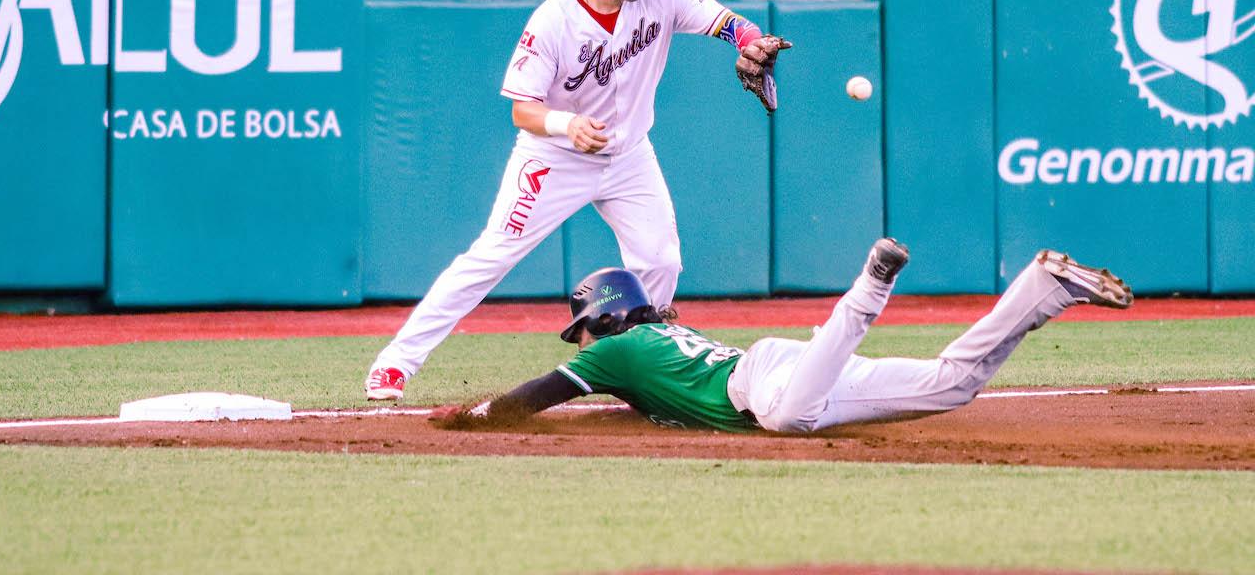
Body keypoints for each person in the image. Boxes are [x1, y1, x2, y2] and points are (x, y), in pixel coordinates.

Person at [365, 0, 792, 400]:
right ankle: (394, 364)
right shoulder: (553, 21)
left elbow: (726, 21)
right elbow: (523, 112)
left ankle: (642, 366)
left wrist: (751, 42)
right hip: (555, 156)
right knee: (491, 255)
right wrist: (566, 124)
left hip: (630, 155)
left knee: (661, 261)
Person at [438, 240, 1134, 432]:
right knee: (953, 387)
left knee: (792, 418)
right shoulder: (653, 346)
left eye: (586, 327)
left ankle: (870, 286)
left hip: (769, 386)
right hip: (789, 363)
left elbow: (539, 395)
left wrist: (470, 418)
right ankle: (1043, 290)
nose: (583, 342)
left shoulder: (617, 351)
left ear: (609, 316)